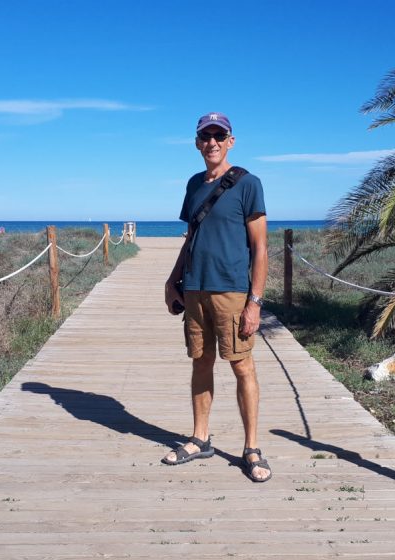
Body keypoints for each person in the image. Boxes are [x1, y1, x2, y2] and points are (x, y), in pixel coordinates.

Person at [163, 112, 271, 482]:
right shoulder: (193, 184)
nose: (212, 142)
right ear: (197, 143)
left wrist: (254, 302)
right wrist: (172, 279)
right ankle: (200, 438)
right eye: (205, 136)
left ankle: (252, 448)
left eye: (218, 136)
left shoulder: (247, 184)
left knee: (242, 366)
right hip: (195, 289)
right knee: (201, 362)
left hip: (232, 291)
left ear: (230, 141)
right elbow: (191, 238)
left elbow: (260, 248)